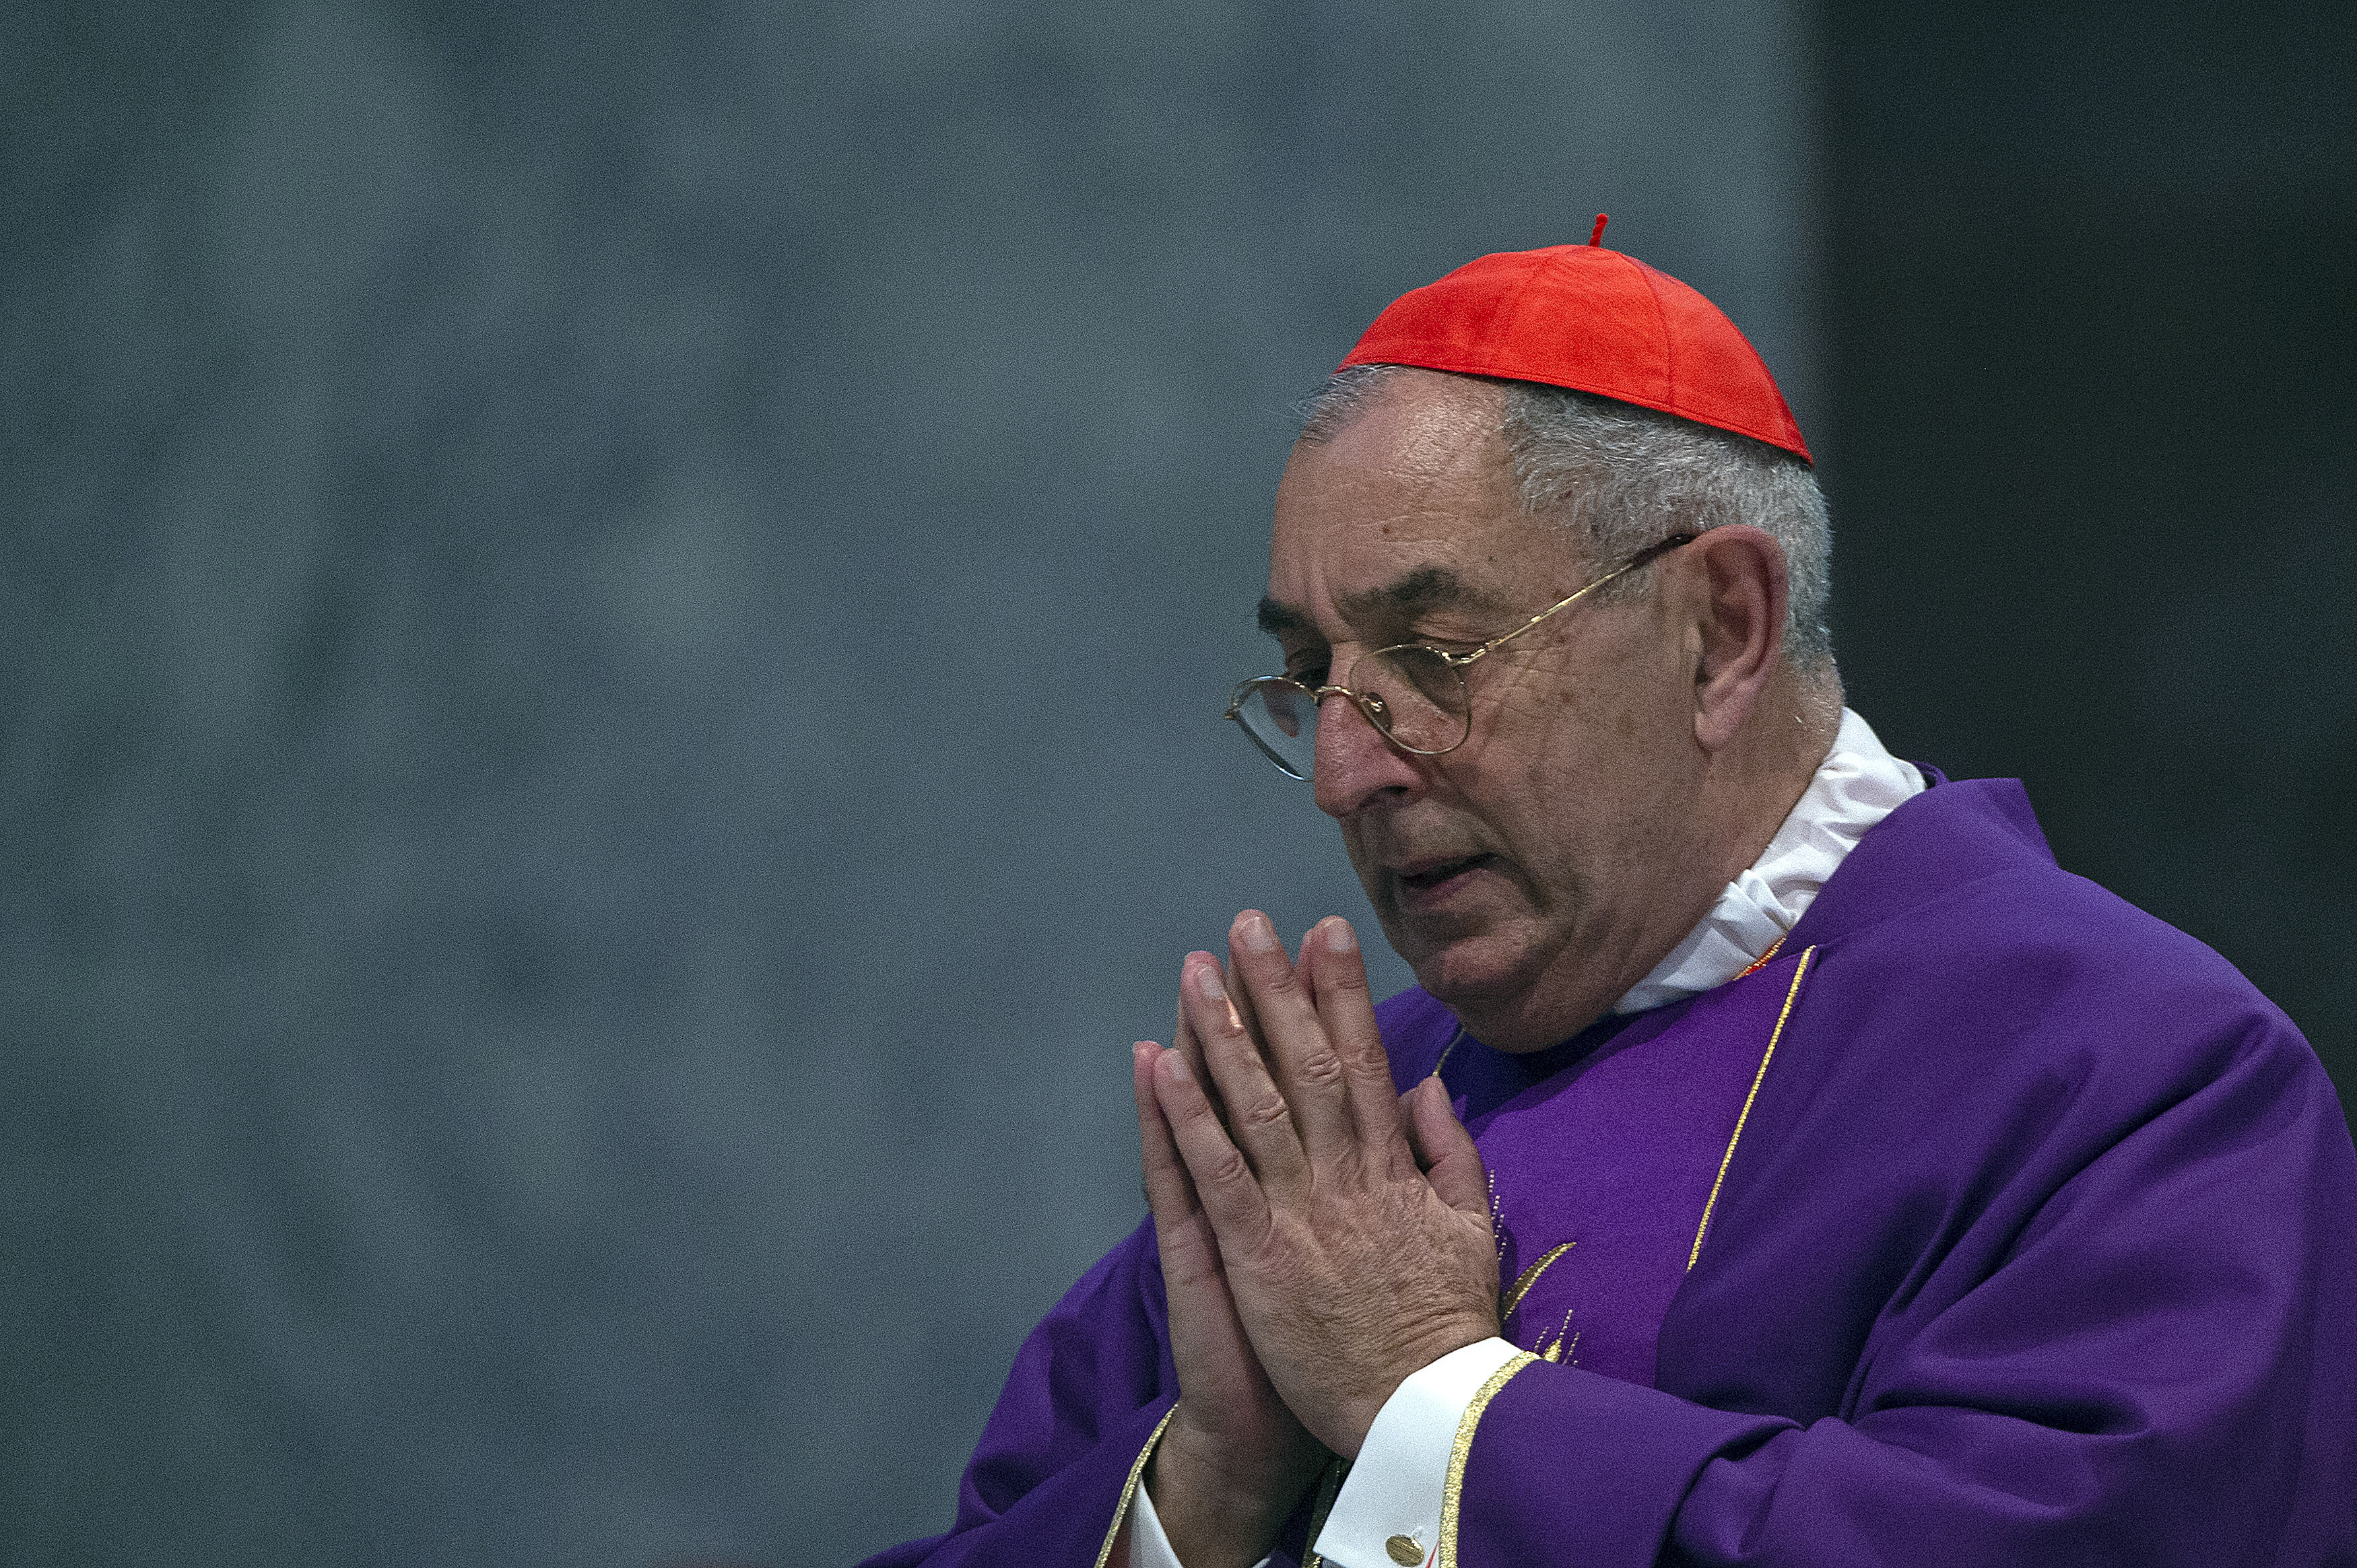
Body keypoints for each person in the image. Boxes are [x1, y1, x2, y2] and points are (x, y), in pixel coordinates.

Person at [859, 234, 2357, 1568]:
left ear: (1719, 633)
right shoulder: (1336, 1145)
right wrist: (1197, 1496)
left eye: (1433, 658)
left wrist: (1429, 1404)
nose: (1339, 773)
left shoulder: (2130, 1084)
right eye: (1315, 677)